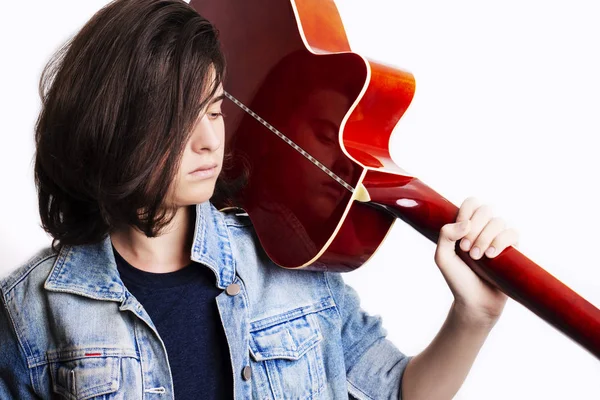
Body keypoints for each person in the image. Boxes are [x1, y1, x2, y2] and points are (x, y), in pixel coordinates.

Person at [0, 0, 519, 399]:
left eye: (214, 110)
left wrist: (473, 317)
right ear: (110, 126)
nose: (209, 141)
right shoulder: (33, 308)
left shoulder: (286, 257)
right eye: (179, 120)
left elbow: (395, 390)